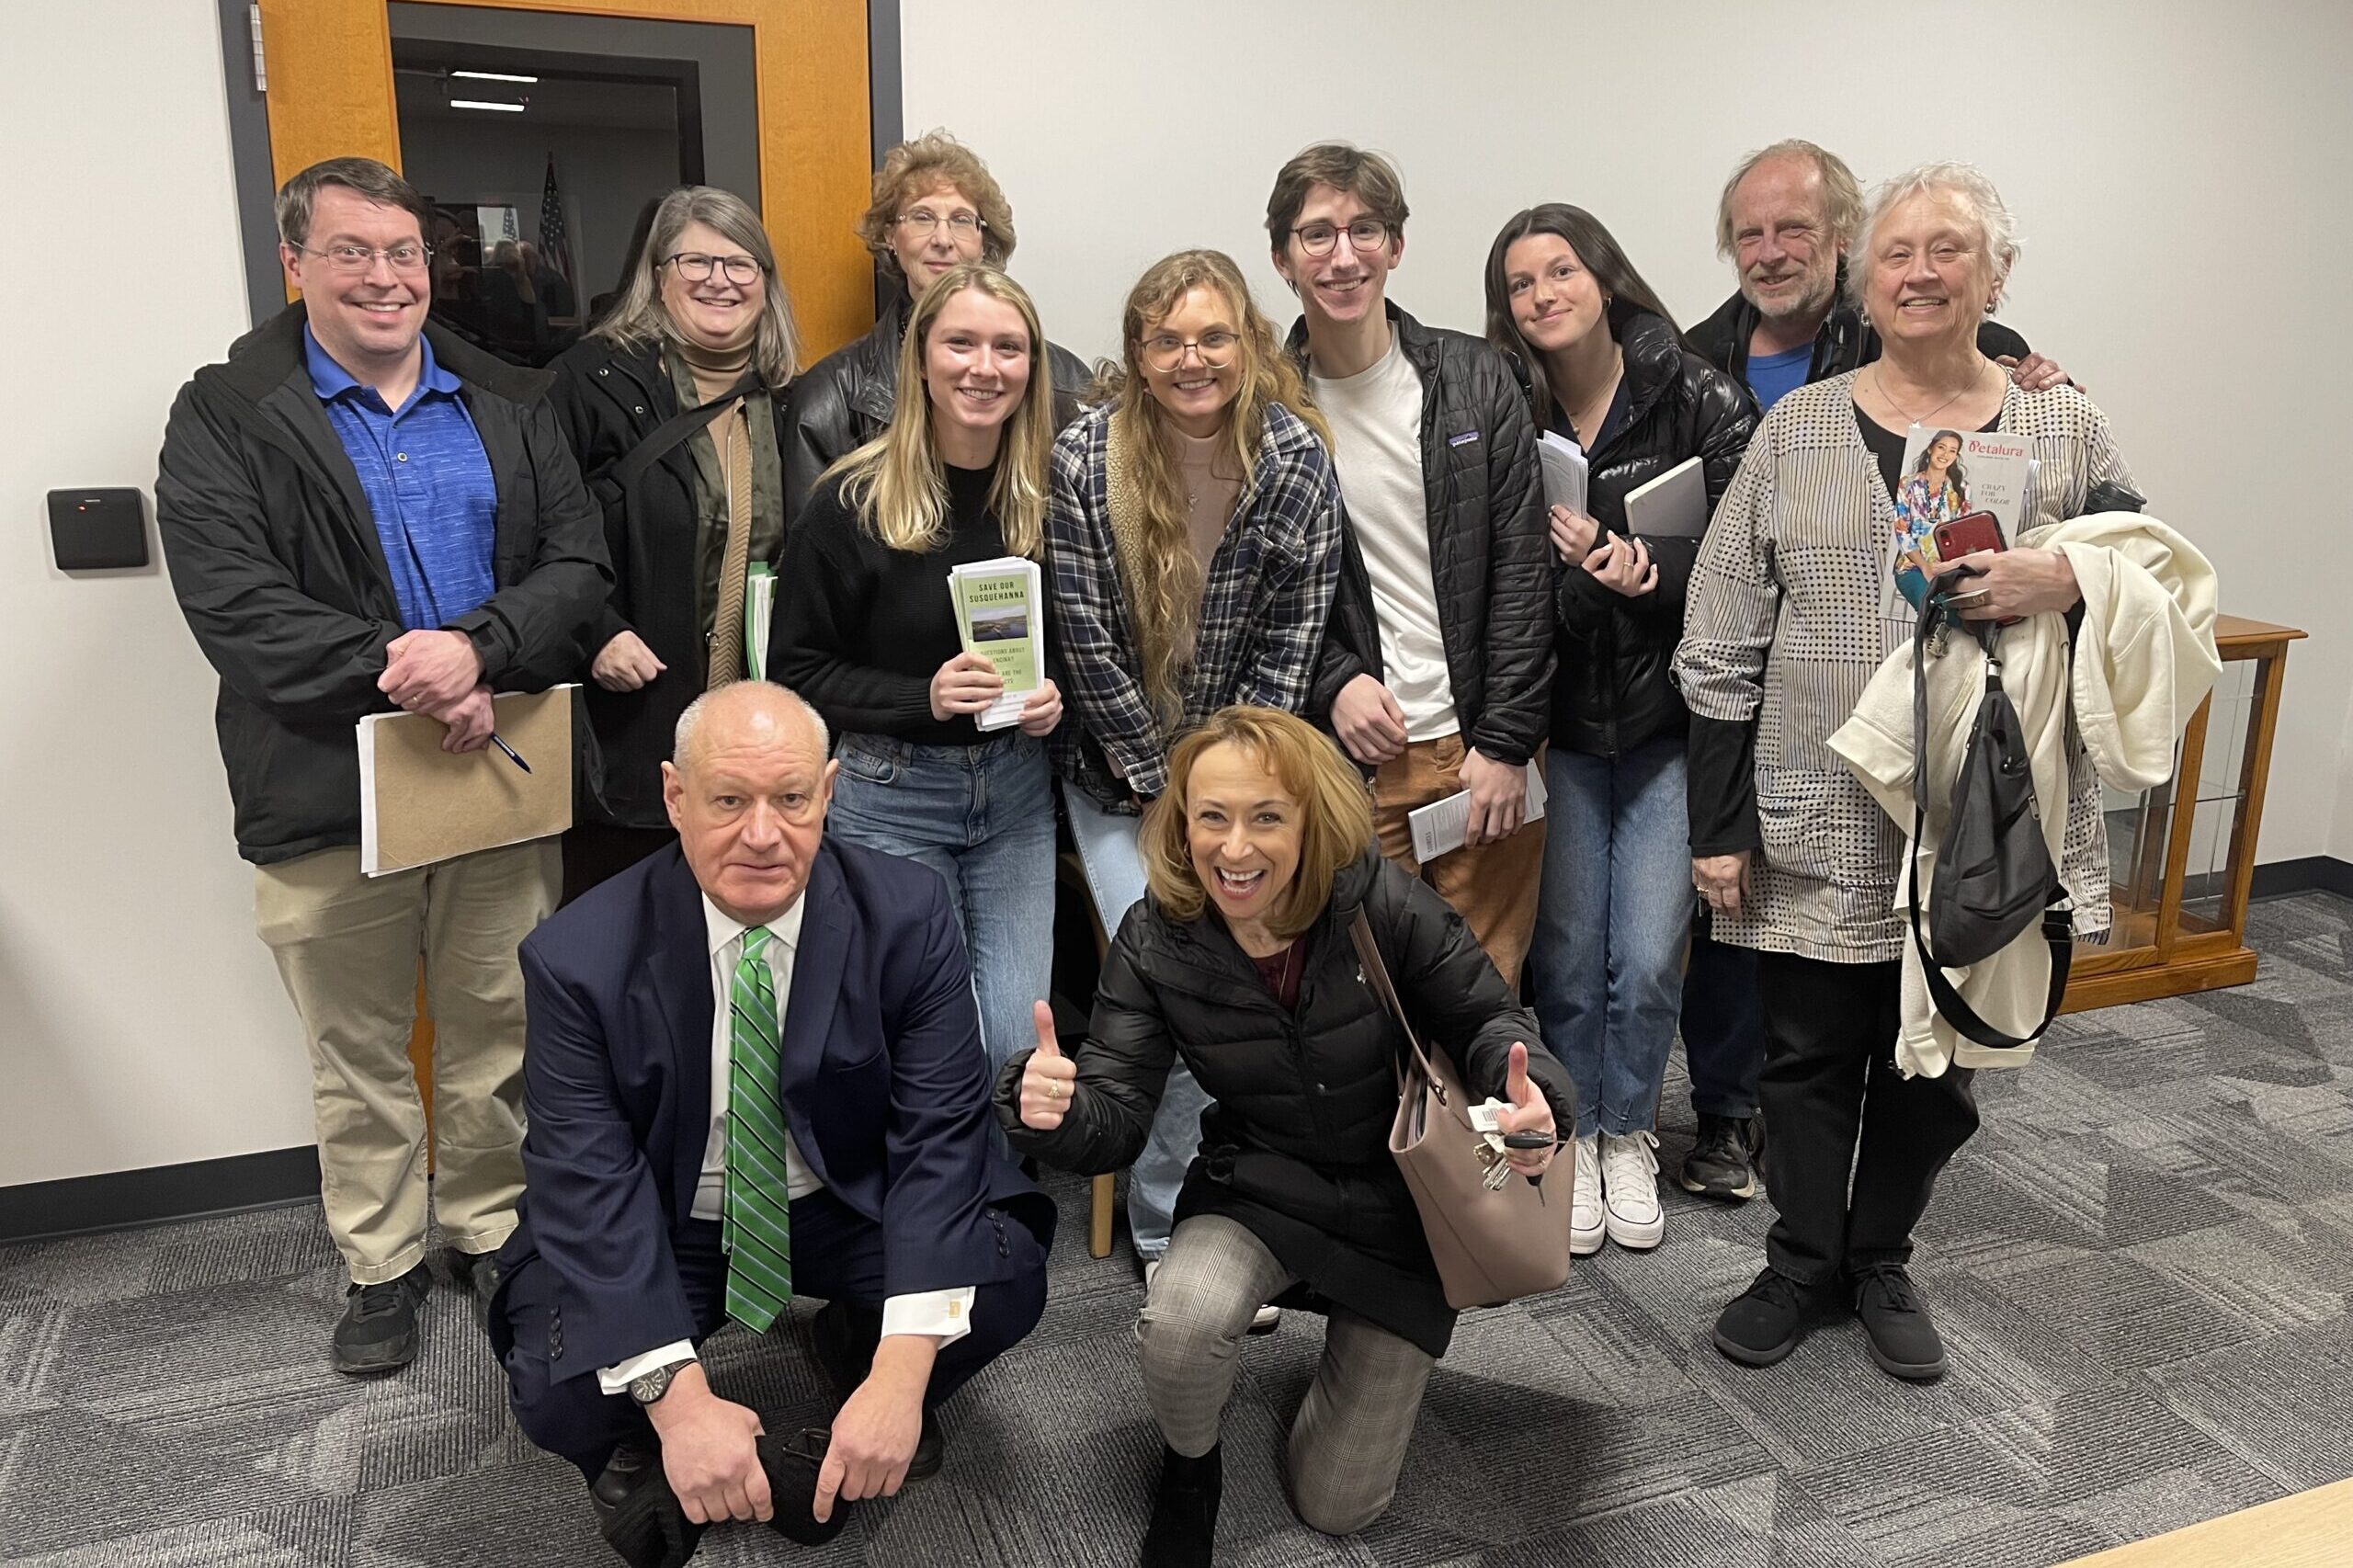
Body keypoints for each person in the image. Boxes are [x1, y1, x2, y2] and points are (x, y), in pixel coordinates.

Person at [1677, 162, 2144, 1383]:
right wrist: (1719, 824)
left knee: (1940, 1071)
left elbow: (2153, 582)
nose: (1923, 272)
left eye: (1950, 250)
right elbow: (1719, 633)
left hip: (1991, 817)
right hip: (1820, 810)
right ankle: (1800, 1257)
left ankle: (1878, 1252)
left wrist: (2074, 576)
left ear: (1995, 273)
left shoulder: (2064, 423)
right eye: (1899, 253)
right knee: (1807, 1056)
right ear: (1862, 278)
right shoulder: (1800, 426)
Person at [154, 156, 609, 1376]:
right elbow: (236, 608)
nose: (385, 276)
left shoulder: (511, 397)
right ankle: (383, 1261)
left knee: (497, 1022)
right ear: (297, 262)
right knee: (355, 1051)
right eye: (352, 251)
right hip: (320, 786)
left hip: (494, 770)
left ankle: (486, 1227)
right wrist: (413, 670)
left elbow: (578, 566)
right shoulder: (227, 412)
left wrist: (479, 650)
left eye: (404, 252)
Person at [997, 706, 1574, 1565]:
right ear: (1181, 823)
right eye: (1212, 817)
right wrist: (1049, 1109)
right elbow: (1115, 1119)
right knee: (1182, 1322)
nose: (1235, 849)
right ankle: (1191, 1465)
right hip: (1258, 1182)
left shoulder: (1376, 898)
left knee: (1340, 1507)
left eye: (1267, 817)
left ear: (1311, 821)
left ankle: (1351, 1351)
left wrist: (1535, 1102)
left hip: (1404, 1207)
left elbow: (1489, 1020)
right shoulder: (1157, 938)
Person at [491, 681, 1054, 1559]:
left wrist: (903, 1378)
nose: (763, 834)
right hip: (675, 1216)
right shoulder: (577, 958)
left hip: (839, 1197)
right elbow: (587, 1182)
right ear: (676, 797)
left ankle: (860, 1340)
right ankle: (648, 1455)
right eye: (728, 801)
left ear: (828, 792)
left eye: (791, 799)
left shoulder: (908, 916)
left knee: (1009, 1274)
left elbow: (940, 1142)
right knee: (553, 1383)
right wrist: (678, 1408)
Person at [1050, 247, 1346, 1304]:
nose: (1191, 358)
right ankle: (1172, 1220)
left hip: (1245, 770)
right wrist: (1164, 793)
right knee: (1182, 958)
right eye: (1167, 339)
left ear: (1248, 343)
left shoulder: (1296, 463)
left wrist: (1225, 801)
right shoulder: (1083, 458)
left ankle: (1265, 1202)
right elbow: (1082, 645)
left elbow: (1289, 654)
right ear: (1137, 351)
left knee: (1290, 964)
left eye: (1213, 336)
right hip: (1115, 781)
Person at [1483, 204, 1755, 1257]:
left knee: (1643, 957)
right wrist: (1583, 583)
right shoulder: (1505, 404)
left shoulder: (1697, 394)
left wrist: (1649, 575)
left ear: (1604, 278)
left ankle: (1626, 1129)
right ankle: (1568, 1128)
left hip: (1660, 725)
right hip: (1549, 729)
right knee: (1560, 955)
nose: (1544, 294)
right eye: (1520, 283)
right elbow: (1495, 584)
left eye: (1562, 271)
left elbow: (1741, 566)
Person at [770, 264, 1063, 1102]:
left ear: (1032, 368)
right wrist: (920, 697)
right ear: (921, 359)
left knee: (1014, 1046)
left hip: (1014, 793)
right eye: (960, 343)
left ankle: (999, 1210)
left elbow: (1078, 642)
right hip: (888, 792)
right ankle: (935, 1213)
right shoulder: (850, 502)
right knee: (934, 1039)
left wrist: (1054, 698)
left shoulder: (1048, 497)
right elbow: (794, 671)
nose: (985, 367)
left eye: (1009, 347)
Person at [1273, 142, 1553, 984]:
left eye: (1365, 229)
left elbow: (1522, 572)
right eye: (1316, 235)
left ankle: (1479, 1129)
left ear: (1396, 246)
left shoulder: (1474, 378)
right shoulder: (1268, 406)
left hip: (1478, 755)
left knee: (1482, 995)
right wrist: (1333, 680)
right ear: (1283, 258)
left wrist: (1504, 744)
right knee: (1364, 998)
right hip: (1349, 762)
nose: (1343, 254)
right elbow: (1258, 594)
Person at [549, 186, 804, 901]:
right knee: (628, 941)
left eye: (742, 263)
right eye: (697, 260)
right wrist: (594, 631)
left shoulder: (794, 400)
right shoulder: (590, 382)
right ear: (658, 275)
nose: (719, 280)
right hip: (634, 718)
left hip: (756, 730)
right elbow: (536, 531)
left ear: (766, 284)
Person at [783, 131, 1089, 516]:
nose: (943, 239)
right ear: (890, 236)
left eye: (962, 220)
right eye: (923, 217)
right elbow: (817, 555)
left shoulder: (1067, 379)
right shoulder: (829, 397)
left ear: (984, 241)